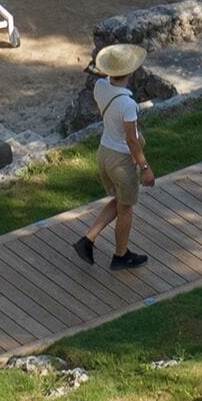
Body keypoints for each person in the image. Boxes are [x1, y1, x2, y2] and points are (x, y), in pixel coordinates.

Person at [75, 42, 155, 269]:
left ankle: (88, 240)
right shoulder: (128, 104)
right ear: (130, 71)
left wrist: (102, 69)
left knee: (120, 200)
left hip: (104, 153)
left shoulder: (100, 87)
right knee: (126, 209)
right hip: (121, 161)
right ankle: (121, 255)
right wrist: (145, 168)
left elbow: (99, 75)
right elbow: (132, 140)